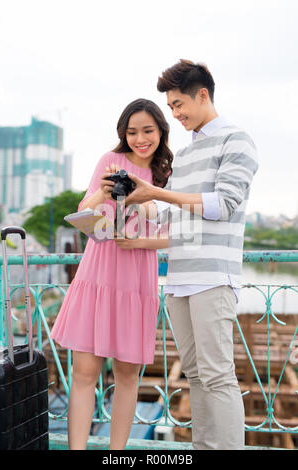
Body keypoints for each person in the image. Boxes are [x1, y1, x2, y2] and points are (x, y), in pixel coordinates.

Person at [124, 60, 259, 450]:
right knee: (197, 376)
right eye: (170, 108)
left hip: (214, 276)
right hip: (179, 277)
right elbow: (172, 216)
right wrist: (132, 201)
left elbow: (225, 204)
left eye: (179, 104)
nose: (176, 114)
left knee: (218, 377)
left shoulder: (237, 139)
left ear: (203, 95)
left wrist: (158, 194)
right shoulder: (184, 155)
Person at [50, 98, 172, 450]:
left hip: (136, 280)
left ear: (161, 131)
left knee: (128, 375)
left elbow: (172, 231)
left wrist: (141, 204)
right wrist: (101, 194)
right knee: (84, 373)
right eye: (132, 132)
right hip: (98, 272)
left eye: (147, 131)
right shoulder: (110, 161)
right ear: (123, 134)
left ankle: (116, 455)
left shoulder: (166, 173)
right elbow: (83, 212)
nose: (140, 139)